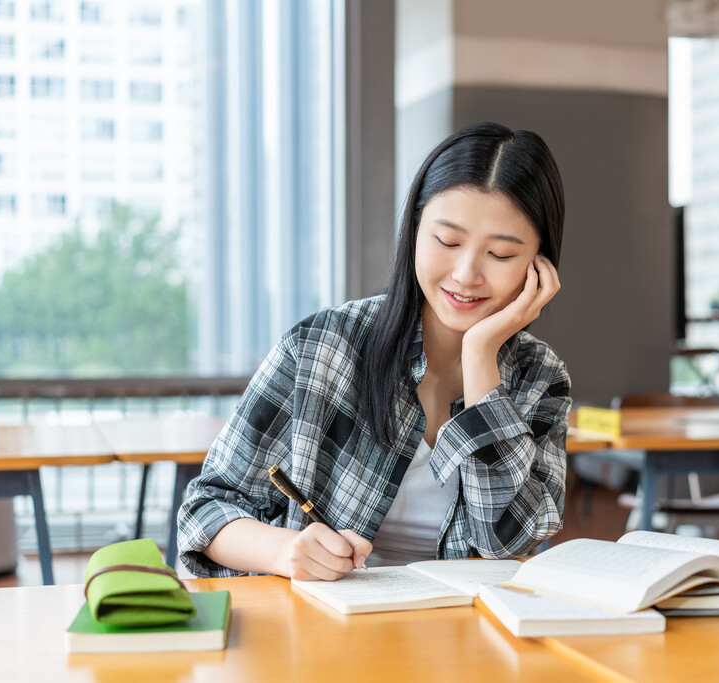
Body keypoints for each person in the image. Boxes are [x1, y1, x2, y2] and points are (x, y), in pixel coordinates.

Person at [177, 121, 570, 580]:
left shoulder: (541, 376)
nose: (466, 274)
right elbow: (204, 509)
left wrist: (481, 356)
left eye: (501, 255)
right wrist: (284, 551)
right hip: (323, 635)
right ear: (415, 231)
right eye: (447, 241)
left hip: (462, 639)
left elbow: (509, 543)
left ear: (539, 264)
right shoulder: (323, 346)